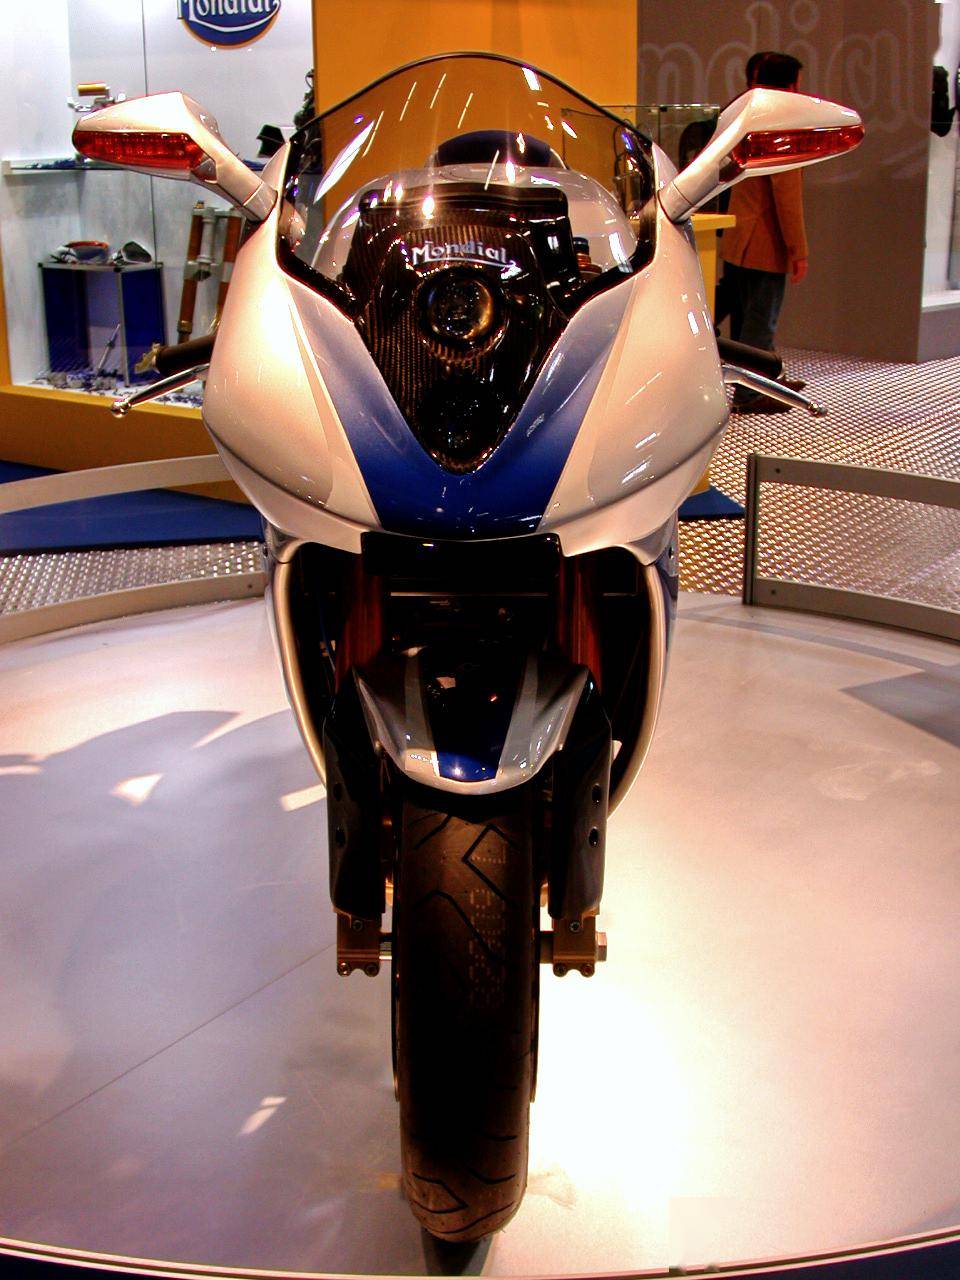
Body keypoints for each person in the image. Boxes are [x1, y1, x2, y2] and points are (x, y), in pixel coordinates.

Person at [720, 51, 807, 412]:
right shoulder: (780, 128)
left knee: (744, 314)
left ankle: (761, 381)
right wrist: (798, 250)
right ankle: (751, 392)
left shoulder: (744, 119)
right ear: (789, 86)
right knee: (759, 318)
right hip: (764, 241)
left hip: (739, 235)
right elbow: (787, 198)